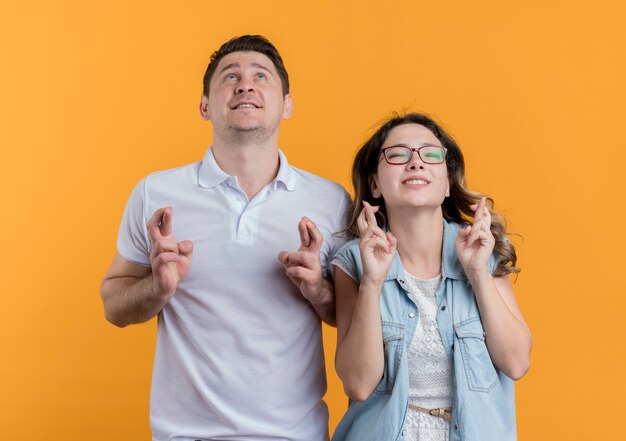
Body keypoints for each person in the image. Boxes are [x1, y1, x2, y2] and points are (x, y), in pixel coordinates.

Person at [100, 35, 350, 441]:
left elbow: (354, 320)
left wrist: (318, 290)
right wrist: (157, 288)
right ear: (204, 106)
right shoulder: (155, 193)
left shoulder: (331, 200)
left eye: (261, 76)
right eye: (229, 76)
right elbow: (114, 304)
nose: (245, 85)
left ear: (287, 105)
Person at [330, 113, 531, 441]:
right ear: (375, 184)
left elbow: (517, 362)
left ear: (447, 181)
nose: (415, 163)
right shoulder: (353, 261)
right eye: (397, 155)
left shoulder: (482, 249)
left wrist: (478, 272)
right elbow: (358, 383)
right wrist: (372, 282)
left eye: (430, 154)